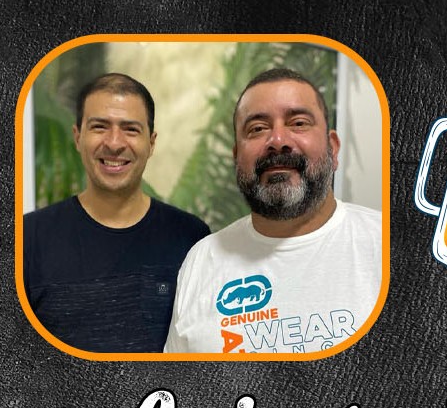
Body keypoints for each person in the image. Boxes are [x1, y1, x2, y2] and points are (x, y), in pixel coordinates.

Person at [165, 66, 383, 354]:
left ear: (333, 149)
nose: (278, 141)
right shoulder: (202, 261)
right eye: (257, 129)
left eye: (298, 123)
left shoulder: (388, 244)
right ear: (236, 157)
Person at [21, 72, 210, 353]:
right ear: (77, 137)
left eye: (130, 129)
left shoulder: (191, 238)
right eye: (99, 127)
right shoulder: (27, 238)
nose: (114, 143)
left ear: (151, 143)